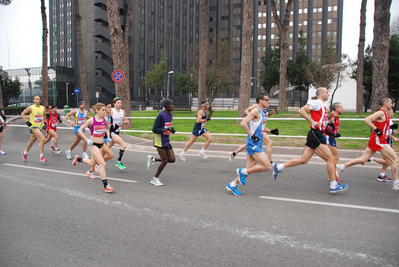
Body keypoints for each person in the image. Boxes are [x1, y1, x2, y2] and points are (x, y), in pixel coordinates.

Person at [272, 87, 348, 193]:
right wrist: (312, 121)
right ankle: (333, 185)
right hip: (315, 134)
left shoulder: (323, 106)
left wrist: (329, 120)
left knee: (304, 159)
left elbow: (322, 122)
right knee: (331, 158)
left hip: (317, 134)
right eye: (326, 92)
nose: (328, 94)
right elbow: (301, 111)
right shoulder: (316, 103)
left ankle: (279, 167)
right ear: (321, 94)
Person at [336, 102, 399, 189]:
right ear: (385, 103)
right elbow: (367, 119)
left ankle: (341, 167)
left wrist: (390, 128)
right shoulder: (381, 112)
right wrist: (375, 129)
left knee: (363, 159)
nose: (392, 105)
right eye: (391, 103)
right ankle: (396, 183)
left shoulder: (385, 115)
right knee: (395, 159)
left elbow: (382, 127)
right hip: (379, 140)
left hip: (378, 140)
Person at [226, 93, 273, 196]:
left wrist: (271, 131)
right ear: (260, 101)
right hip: (253, 144)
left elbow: (261, 128)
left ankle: (233, 184)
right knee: (267, 166)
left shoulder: (263, 113)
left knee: (249, 169)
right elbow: (243, 123)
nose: (268, 101)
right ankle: (241, 172)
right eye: (266, 100)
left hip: (257, 144)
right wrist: (252, 135)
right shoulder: (255, 111)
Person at [72, 103, 114, 193]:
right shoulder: (91, 120)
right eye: (102, 110)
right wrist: (87, 139)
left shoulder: (105, 119)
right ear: (97, 110)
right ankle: (106, 186)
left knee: (92, 163)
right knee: (102, 164)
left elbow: (107, 128)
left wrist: (108, 136)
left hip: (101, 144)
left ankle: (78, 159)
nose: (104, 112)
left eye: (104, 110)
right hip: (93, 144)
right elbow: (80, 130)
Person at [146, 98, 176, 186]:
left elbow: (168, 125)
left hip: (166, 139)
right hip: (160, 141)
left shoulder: (170, 115)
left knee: (172, 159)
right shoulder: (160, 115)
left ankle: (153, 159)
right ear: (166, 106)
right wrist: (164, 129)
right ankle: (154, 179)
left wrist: (171, 130)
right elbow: (154, 129)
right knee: (165, 160)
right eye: (171, 104)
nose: (172, 106)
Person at [315, 102, 343, 182]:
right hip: (328, 138)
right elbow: (327, 125)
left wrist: (335, 133)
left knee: (332, 157)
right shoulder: (333, 117)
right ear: (337, 109)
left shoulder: (336, 118)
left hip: (331, 137)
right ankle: (332, 176)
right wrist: (331, 133)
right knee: (335, 156)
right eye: (341, 107)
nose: (342, 109)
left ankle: (332, 175)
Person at [368, 109, 398, 182]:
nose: (393, 114)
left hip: (387, 141)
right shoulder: (386, 120)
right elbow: (385, 132)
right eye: (393, 112)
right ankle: (371, 159)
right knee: (389, 160)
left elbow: (387, 131)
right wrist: (393, 137)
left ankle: (382, 174)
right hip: (384, 141)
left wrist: (393, 133)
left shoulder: (389, 120)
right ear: (389, 113)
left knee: (389, 160)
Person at [21, 96, 48, 162]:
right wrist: (26, 121)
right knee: (42, 138)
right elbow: (22, 113)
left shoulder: (43, 108)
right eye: (37, 99)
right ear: (33, 100)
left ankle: (25, 152)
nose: (38, 100)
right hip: (33, 126)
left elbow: (44, 117)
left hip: (39, 127)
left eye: (39, 99)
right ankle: (41, 156)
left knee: (31, 141)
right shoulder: (31, 108)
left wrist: (44, 124)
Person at [109, 97, 129, 170]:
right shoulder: (112, 111)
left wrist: (125, 121)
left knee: (107, 149)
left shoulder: (122, 111)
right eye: (118, 103)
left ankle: (97, 163)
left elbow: (123, 120)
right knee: (123, 145)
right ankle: (118, 161)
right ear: (114, 104)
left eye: (120, 103)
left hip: (117, 132)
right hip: (112, 132)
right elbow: (108, 121)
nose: (120, 104)